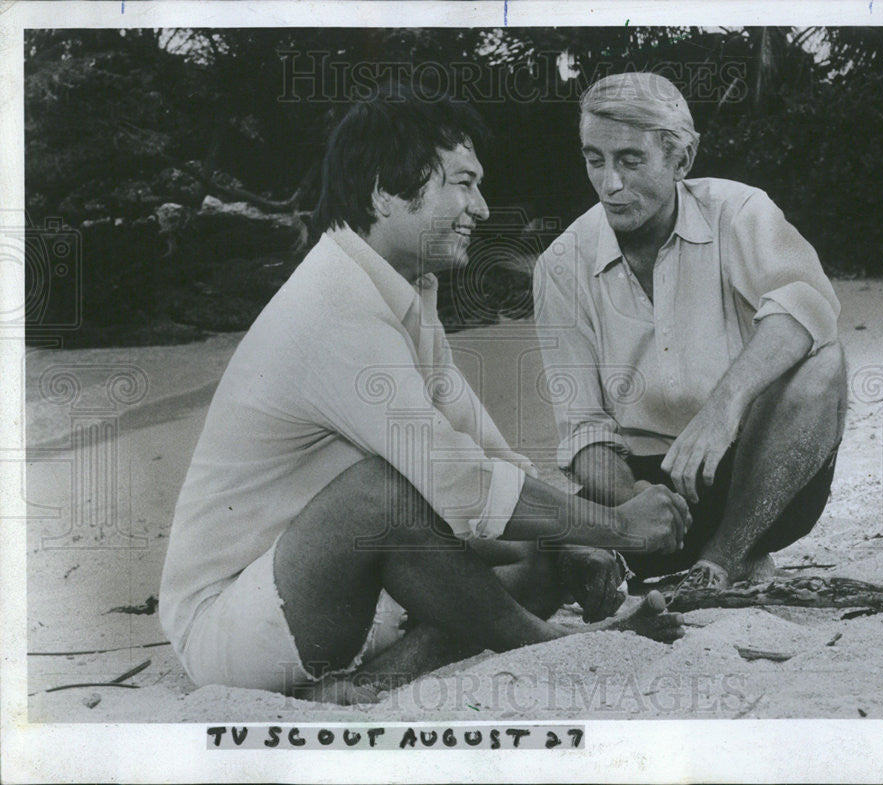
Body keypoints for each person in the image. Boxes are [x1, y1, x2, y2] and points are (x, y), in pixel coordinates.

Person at [158, 83, 687, 705]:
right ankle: (552, 648)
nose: (482, 208)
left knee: (546, 550)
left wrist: (578, 538)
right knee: (384, 492)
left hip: (343, 590)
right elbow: (456, 482)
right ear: (386, 192)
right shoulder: (334, 305)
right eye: (462, 184)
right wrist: (617, 526)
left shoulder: (402, 291)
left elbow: (487, 455)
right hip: (238, 623)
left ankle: (373, 683)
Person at [533, 72, 847, 596]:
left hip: (765, 474)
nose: (610, 183)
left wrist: (722, 408)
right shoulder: (560, 265)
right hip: (642, 490)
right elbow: (583, 430)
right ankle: (696, 556)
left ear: (682, 159)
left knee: (825, 364)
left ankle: (720, 562)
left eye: (630, 161)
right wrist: (635, 503)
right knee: (538, 550)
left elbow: (807, 305)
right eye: (594, 159)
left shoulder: (739, 212)